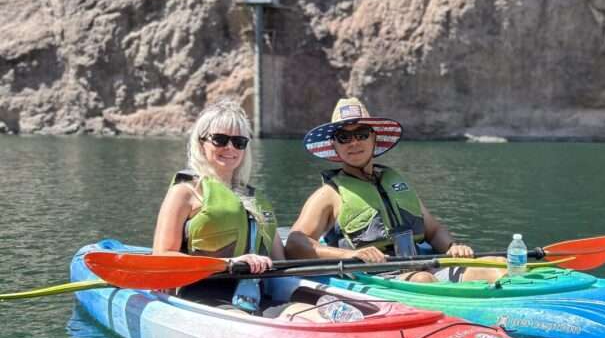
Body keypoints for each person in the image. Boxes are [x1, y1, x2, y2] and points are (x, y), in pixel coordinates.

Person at [285, 97, 503, 282]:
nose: (353, 143)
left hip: (422, 266)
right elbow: (295, 243)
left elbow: (434, 231)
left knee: (498, 265)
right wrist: (350, 255)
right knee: (423, 279)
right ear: (335, 145)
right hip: (377, 277)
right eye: (344, 137)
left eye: (361, 134)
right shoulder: (329, 194)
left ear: (374, 138)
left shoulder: (397, 184)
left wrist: (453, 247)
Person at [152, 99, 284, 309]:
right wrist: (230, 263)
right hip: (203, 297)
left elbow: (280, 261)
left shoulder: (257, 200)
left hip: (258, 298)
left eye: (239, 142)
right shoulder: (185, 192)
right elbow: (161, 257)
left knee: (315, 315)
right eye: (220, 140)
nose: (230, 148)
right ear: (201, 143)